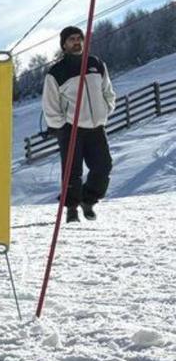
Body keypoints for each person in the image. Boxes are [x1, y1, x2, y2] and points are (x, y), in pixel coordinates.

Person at [42, 26, 116, 222]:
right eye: (72, 39)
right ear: (64, 45)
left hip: (96, 128)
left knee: (103, 166)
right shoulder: (56, 72)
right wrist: (62, 126)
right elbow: (50, 105)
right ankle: (72, 209)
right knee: (72, 172)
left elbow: (108, 91)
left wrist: (105, 110)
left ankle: (88, 199)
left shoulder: (96, 64)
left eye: (79, 38)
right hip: (71, 129)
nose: (77, 42)